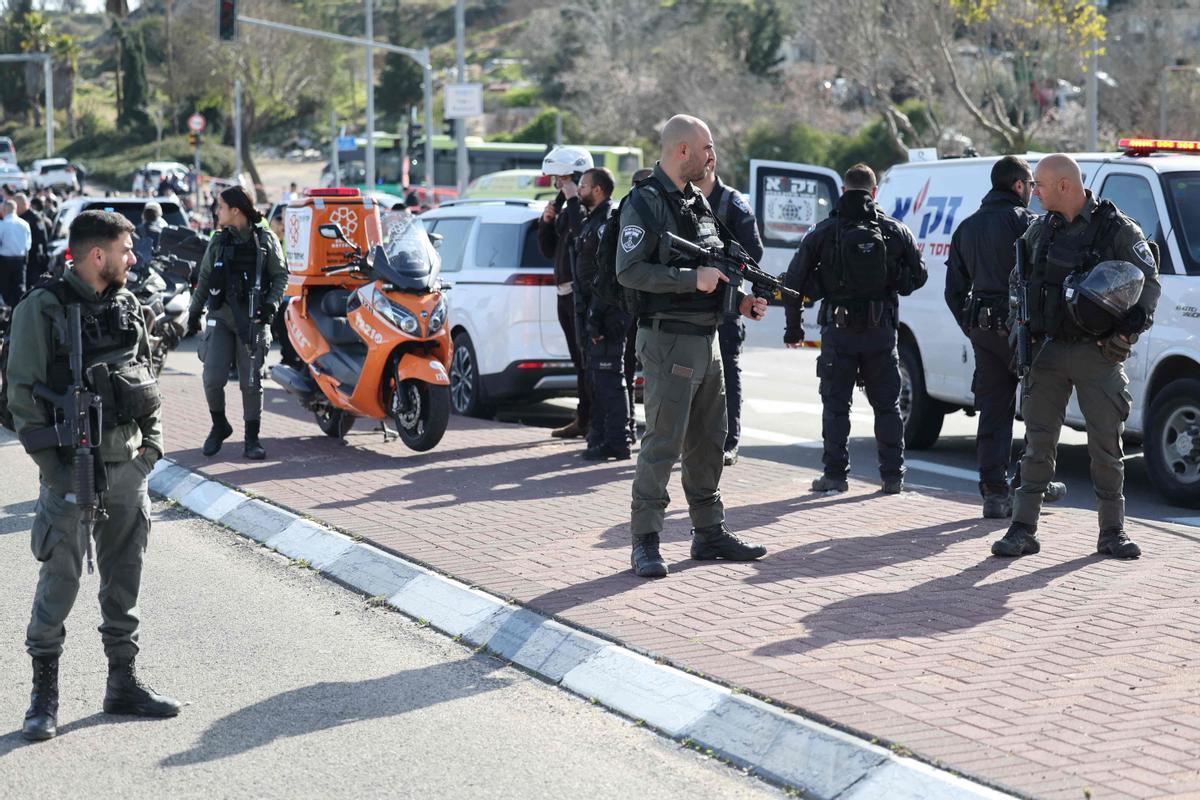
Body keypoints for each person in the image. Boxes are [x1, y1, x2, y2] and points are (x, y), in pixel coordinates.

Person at [7, 210, 180, 741]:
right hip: (70, 472)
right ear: (96, 255)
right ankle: (44, 696)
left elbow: (146, 376)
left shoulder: (127, 303)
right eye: (125, 250)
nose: (134, 259)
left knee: (124, 580)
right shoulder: (40, 309)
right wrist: (56, 473)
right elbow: (21, 398)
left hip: (128, 466)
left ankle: (122, 683)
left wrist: (150, 449)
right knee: (59, 582)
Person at [617, 114, 769, 578]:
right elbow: (629, 271)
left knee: (709, 441)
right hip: (669, 340)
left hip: (708, 339)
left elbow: (716, 262)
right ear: (682, 149)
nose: (712, 156)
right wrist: (690, 278)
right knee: (663, 442)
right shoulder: (643, 203)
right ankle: (645, 542)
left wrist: (740, 302)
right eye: (706, 147)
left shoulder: (698, 203)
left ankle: (709, 533)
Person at [992, 154, 1161, 560]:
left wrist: (1125, 335)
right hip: (1047, 349)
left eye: (1041, 186)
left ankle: (1112, 532)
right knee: (1037, 445)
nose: (1034, 192)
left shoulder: (1117, 228)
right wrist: (1020, 326)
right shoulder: (1040, 231)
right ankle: (1022, 529)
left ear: (1065, 185)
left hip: (1097, 353)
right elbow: (1018, 281)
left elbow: (1147, 285)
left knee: (1106, 445)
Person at [783, 164, 927, 494]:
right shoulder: (895, 230)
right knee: (887, 406)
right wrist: (892, 281)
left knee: (836, 406)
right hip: (881, 333)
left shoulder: (823, 231)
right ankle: (892, 477)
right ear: (874, 193)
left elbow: (793, 283)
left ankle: (835, 476)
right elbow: (918, 277)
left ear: (844, 192)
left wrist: (794, 330)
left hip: (839, 331)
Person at [945, 156, 1066, 518]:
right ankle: (1030, 484)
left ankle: (994, 493)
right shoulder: (1031, 224)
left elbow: (954, 292)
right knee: (1038, 408)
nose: (1033, 191)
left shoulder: (967, 227)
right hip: (1025, 329)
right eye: (1030, 184)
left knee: (993, 411)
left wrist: (972, 328)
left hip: (983, 329)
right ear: (1017, 186)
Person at [186, 186, 288, 460]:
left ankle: (251, 439)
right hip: (221, 316)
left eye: (220, 206)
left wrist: (270, 306)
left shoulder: (264, 239)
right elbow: (205, 279)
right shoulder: (218, 241)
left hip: (254, 320)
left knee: (251, 382)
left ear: (236, 210)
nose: (216, 211)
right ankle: (219, 425)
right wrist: (193, 314)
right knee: (212, 378)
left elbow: (280, 276)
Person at [696, 158, 763, 467]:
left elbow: (754, 251)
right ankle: (693, 441)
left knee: (726, 374)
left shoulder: (733, 202)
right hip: (690, 300)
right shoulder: (682, 198)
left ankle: (729, 441)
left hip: (726, 302)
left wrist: (724, 261)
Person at [573, 167, 628, 460]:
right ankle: (600, 437)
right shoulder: (591, 219)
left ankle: (617, 441)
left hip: (607, 314)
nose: (578, 189)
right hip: (592, 312)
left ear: (598, 190)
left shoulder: (609, 220)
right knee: (597, 379)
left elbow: (609, 273)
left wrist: (596, 317)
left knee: (609, 378)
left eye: (582, 185)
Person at [539, 146, 592, 439]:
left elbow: (580, 232)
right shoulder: (563, 205)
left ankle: (589, 420)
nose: (558, 185)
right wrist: (546, 222)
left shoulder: (587, 208)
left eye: (562, 179)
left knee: (587, 360)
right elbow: (547, 250)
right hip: (563, 294)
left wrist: (571, 200)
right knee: (578, 360)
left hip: (579, 294)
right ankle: (583, 418)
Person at [0, 198, 32, 306]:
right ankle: (18, 310)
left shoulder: (2, 225)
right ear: (16, 209)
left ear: (4, 210)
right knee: (20, 288)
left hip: (5, 260)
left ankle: (8, 310)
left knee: (5, 287)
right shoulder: (24, 224)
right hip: (20, 260)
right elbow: (28, 245)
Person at [16, 192, 49, 286]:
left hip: (34, 255)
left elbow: (42, 238)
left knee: (34, 283)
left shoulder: (35, 217)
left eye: (17, 206)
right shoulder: (18, 218)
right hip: (23, 256)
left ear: (23, 205)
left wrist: (44, 254)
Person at [133, 201, 166, 268]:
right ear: (157, 217)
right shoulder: (160, 231)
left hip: (138, 262)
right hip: (151, 263)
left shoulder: (137, 229)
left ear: (143, 216)